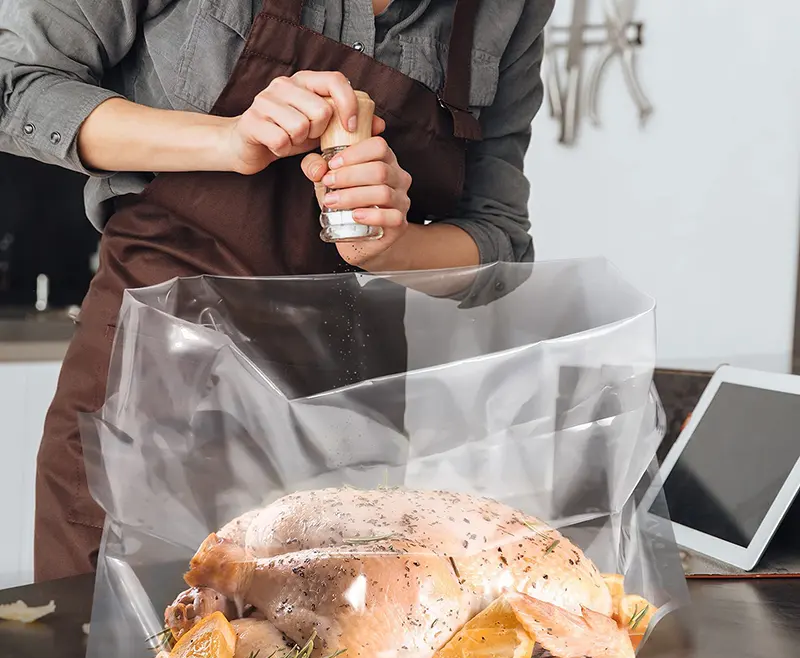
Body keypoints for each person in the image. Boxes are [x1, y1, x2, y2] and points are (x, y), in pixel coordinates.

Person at [0, 0, 555, 582]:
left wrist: (393, 247)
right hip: (150, 405)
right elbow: (15, 84)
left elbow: (500, 242)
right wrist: (229, 141)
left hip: (345, 429)